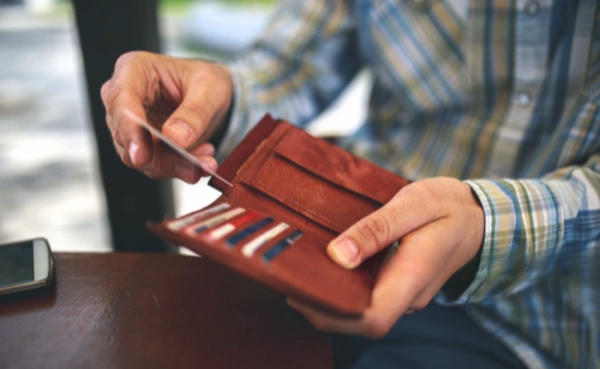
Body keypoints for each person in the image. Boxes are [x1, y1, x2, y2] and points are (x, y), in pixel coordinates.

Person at [101, 1, 600, 368]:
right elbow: (291, 63)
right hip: (331, 246)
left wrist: (486, 225)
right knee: (152, 339)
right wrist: (220, 96)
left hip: (541, 322)